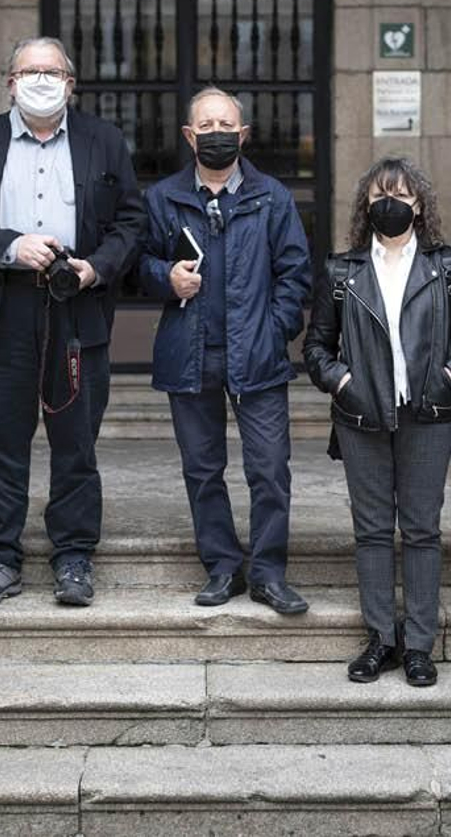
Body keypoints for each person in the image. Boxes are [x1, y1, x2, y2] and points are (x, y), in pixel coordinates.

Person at [0, 37, 146, 608]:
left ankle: (74, 556)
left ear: (71, 83)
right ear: (9, 81)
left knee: (75, 441)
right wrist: (10, 244)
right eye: (29, 70)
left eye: (52, 71)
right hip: (5, 306)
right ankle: (0, 559)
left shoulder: (103, 141)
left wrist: (95, 269)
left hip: (77, 305)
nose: (40, 79)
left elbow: (132, 222)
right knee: (2, 441)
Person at [303, 156, 451, 687]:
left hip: (428, 414)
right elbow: (316, 346)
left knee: (423, 530)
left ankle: (420, 646)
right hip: (361, 416)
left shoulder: (447, 267)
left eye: (403, 196)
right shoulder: (343, 271)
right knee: (373, 531)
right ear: (366, 204)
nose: (392, 204)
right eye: (382, 194)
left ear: (420, 205)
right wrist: (342, 382)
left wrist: (450, 378)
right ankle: (382, 638)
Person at [138, 87, 313, 612]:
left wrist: (274, 329)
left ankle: (267, 572)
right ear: (190, 136)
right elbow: (138, 265)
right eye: (206, 125)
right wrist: (165, 277)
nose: (217, 133)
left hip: (257, 357)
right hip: (190, 355)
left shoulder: (272, 197)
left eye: (226, 125)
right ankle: (221, 567)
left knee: (270, 468)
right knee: (202, 468)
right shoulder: (163, 198)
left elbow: (296, 274)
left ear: (243, 135)